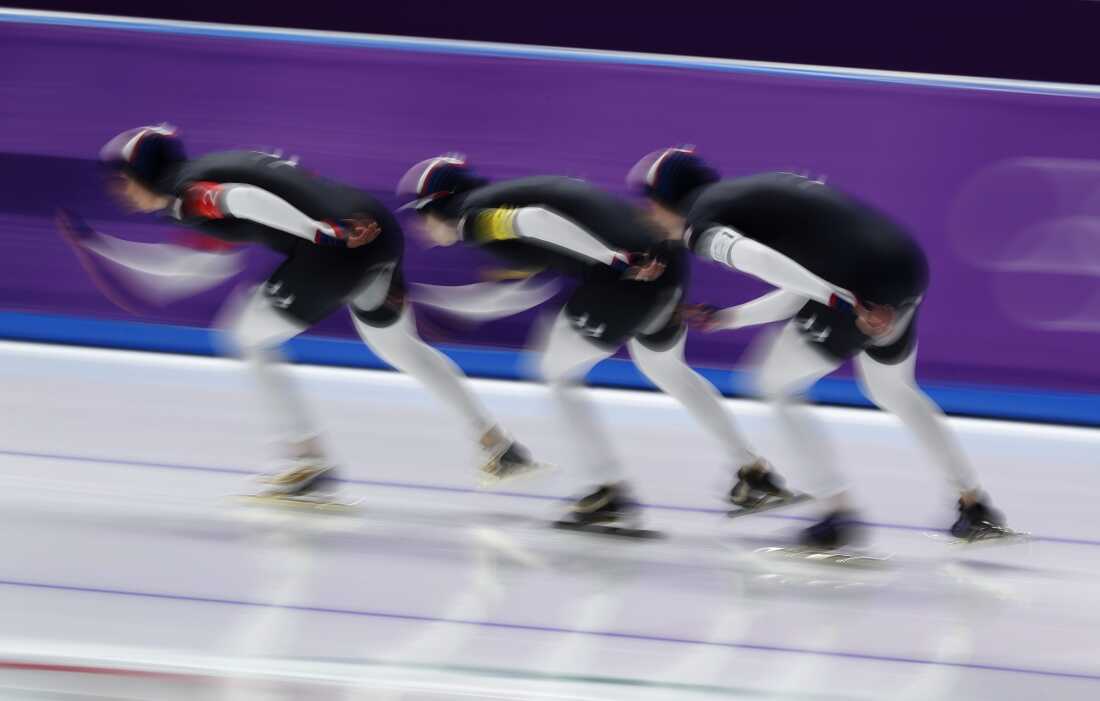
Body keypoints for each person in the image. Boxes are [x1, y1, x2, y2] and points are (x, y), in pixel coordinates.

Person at [59, 125, 538, 501]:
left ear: (142, 175)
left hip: (334, 244)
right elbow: (197, 264)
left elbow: (241, 199)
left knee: (245, 335)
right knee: (397, 344)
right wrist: (106, 247)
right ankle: (499, 445)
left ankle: (308, 461)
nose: (120, 194)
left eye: (121, 182)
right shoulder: (204, 175)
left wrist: (317, 232)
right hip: (375, 229)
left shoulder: (190, 195)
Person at [630, 146, 1007, 546]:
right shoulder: (750, 195)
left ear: (666, 201)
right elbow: (803, 280)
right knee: (892, 388)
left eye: (649, 205)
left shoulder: (701, 226)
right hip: (904, 267)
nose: (649, 217)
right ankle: (975, 505)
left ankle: (835, 515)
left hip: (861, 284)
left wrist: (842, 301)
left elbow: (760, 260)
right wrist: (730, 318)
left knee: (773, 382)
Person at [397, 155, 784, 530]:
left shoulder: (473, 218)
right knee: (665, 368)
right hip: (663, 267)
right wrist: (439, 303)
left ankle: (607, 492)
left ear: (438, 206)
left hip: (623, 278)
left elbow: (537, 220)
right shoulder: (500, 206)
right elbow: (521, 290)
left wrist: (612, 258)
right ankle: (754, 473)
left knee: (552, 370)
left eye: (419, 215)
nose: (420, 228)